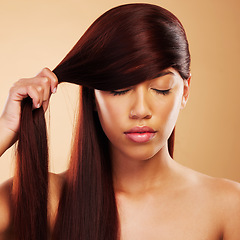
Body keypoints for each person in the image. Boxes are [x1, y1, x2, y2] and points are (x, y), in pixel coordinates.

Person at [0, 3, 239, 240]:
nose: (141, 110)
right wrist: (6, 128)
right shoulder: (41, 199)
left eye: (161, 89)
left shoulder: (227, 206)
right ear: (92, 96)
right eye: (120, 90)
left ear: (185, 92)